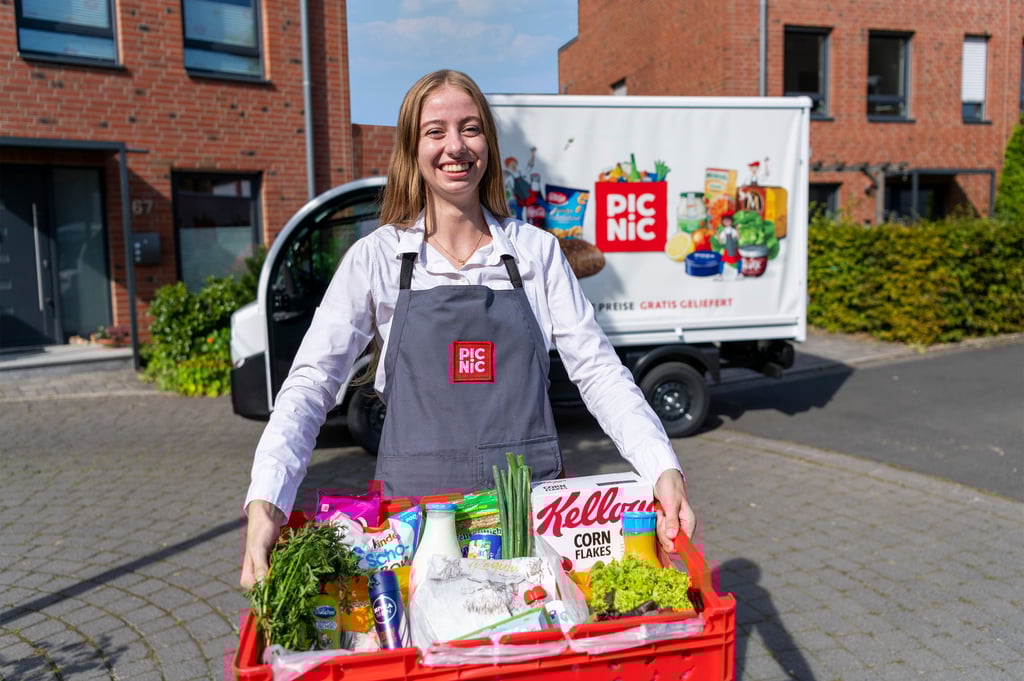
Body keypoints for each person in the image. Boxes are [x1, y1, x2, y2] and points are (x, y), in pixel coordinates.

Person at [240, 70, 696, 589]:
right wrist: (267, 500)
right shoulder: (378, 259)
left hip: (530, 524)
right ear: (412, 149)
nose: (454, 146)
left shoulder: (536, 254)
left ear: (490, 145)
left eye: (470, 128)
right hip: (413, 528)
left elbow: (599, 373)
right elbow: (310, 385)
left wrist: (662, 466)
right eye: (435, 131)